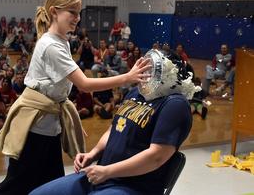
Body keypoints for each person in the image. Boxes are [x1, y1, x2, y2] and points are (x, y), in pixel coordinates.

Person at [0, 0, 150, 195]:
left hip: (47, 126)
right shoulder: (51, 45)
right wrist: (127, 77)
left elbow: (62, 91)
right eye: (72, 12)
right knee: (16, 185)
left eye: (79, 13)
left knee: (50, 183)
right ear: (54, 12)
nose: (77, 18)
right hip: (34, 128)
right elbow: (84, 84)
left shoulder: (62, 41)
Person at [29, 50, 200, 195]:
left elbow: (157, 156)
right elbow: (113, 130)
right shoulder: (135, 93)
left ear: (166, 74)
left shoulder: (175, 104)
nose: (143, 73)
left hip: (133, 187)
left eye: (149, 68)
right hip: (101, 175)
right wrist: (93, 154)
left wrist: (107, 171)